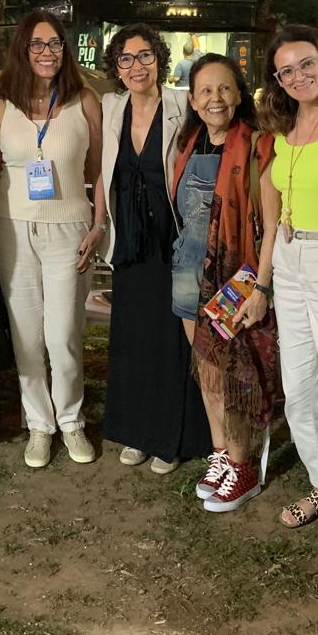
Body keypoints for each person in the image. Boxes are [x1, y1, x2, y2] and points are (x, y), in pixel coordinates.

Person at [0, 10, 104, 469]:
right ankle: (39, 423)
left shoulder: (84, 101)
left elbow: (99, 170)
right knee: (26, 336)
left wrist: (99, 223)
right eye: (37, 44)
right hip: (10, 226)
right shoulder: (0, 106)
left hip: (69, 228)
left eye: (55, 43)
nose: (47, 52)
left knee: (63, 334)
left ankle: (70, 419)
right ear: (22, 49)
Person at [99, 24, 211, 474]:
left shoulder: (183, 104)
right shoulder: (111, 107)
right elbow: (103, 172)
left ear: (159, 60)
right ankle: (136, 431)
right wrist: (97, 225)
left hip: (174, 234)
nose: (136, 66)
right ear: (116, 67)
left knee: (171, 335)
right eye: (126, 59)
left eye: (145, 55)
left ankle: (169, 436)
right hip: (129, 237)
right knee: (132, 335)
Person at [257, 25, 318, 529]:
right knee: (298, 390)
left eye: (306, 64)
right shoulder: (281, 130)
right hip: (290, 262)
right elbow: (272, 217)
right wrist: (262, 282)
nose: (298, 77)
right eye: (285, 71)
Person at [172, 53, 279, 513]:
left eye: (224, 88)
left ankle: (243, 464)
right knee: (208, 371)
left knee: (234, 374)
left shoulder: (259, 147)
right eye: (205, 91)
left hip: (234, 279)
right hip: (187, 273)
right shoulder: (187, 144)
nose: (215, 99)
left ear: (239, 94)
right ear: (193, 100)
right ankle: (220, 453)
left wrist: (262, 287)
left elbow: (271, 227)